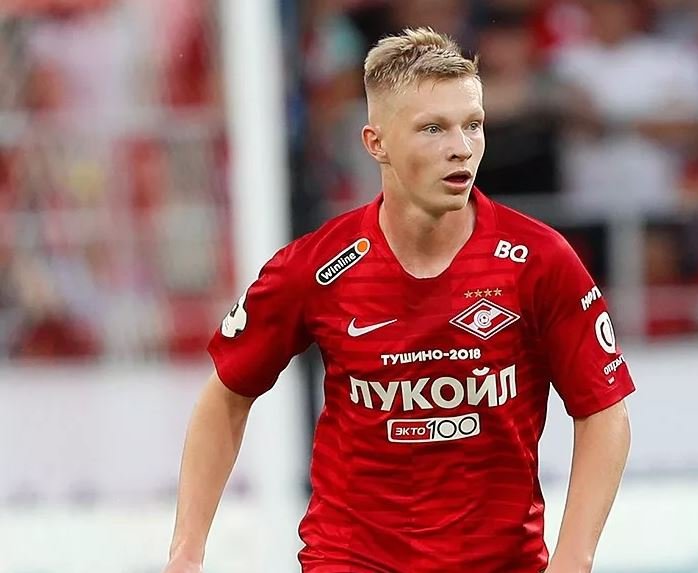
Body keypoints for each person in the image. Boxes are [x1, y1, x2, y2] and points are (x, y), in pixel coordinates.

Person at [163, 27, 634, 573]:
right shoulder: (316, 267)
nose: (461, 147)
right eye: (433, 128)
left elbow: (604, 411)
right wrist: (186, 554)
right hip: (351, 560)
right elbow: (225, 396)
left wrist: (573, 558)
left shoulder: (539, 260)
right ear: (376, 143)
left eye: (473, 124)